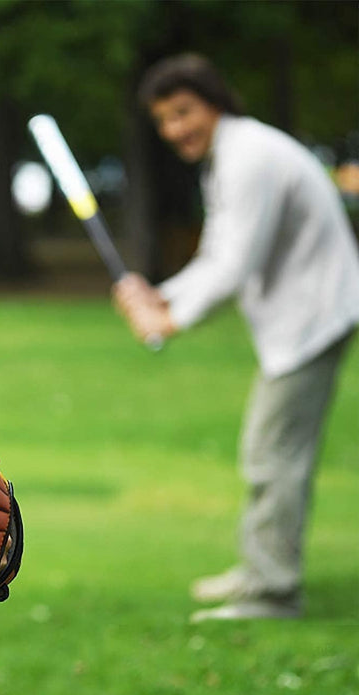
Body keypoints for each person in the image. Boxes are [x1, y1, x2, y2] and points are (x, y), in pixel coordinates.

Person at [114, 53, 359, 622]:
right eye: (164, 120)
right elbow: (217, 255)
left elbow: (235, 266)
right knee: (266, 452)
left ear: (214, 101)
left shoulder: (248, 156)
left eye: (184, 112)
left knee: (274, 457)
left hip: (314, 318)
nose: (176, 129)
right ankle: (259, 572)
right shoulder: (233, 155)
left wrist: (169, 321)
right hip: (304, 318)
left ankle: (273, 591)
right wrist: (161, 295)